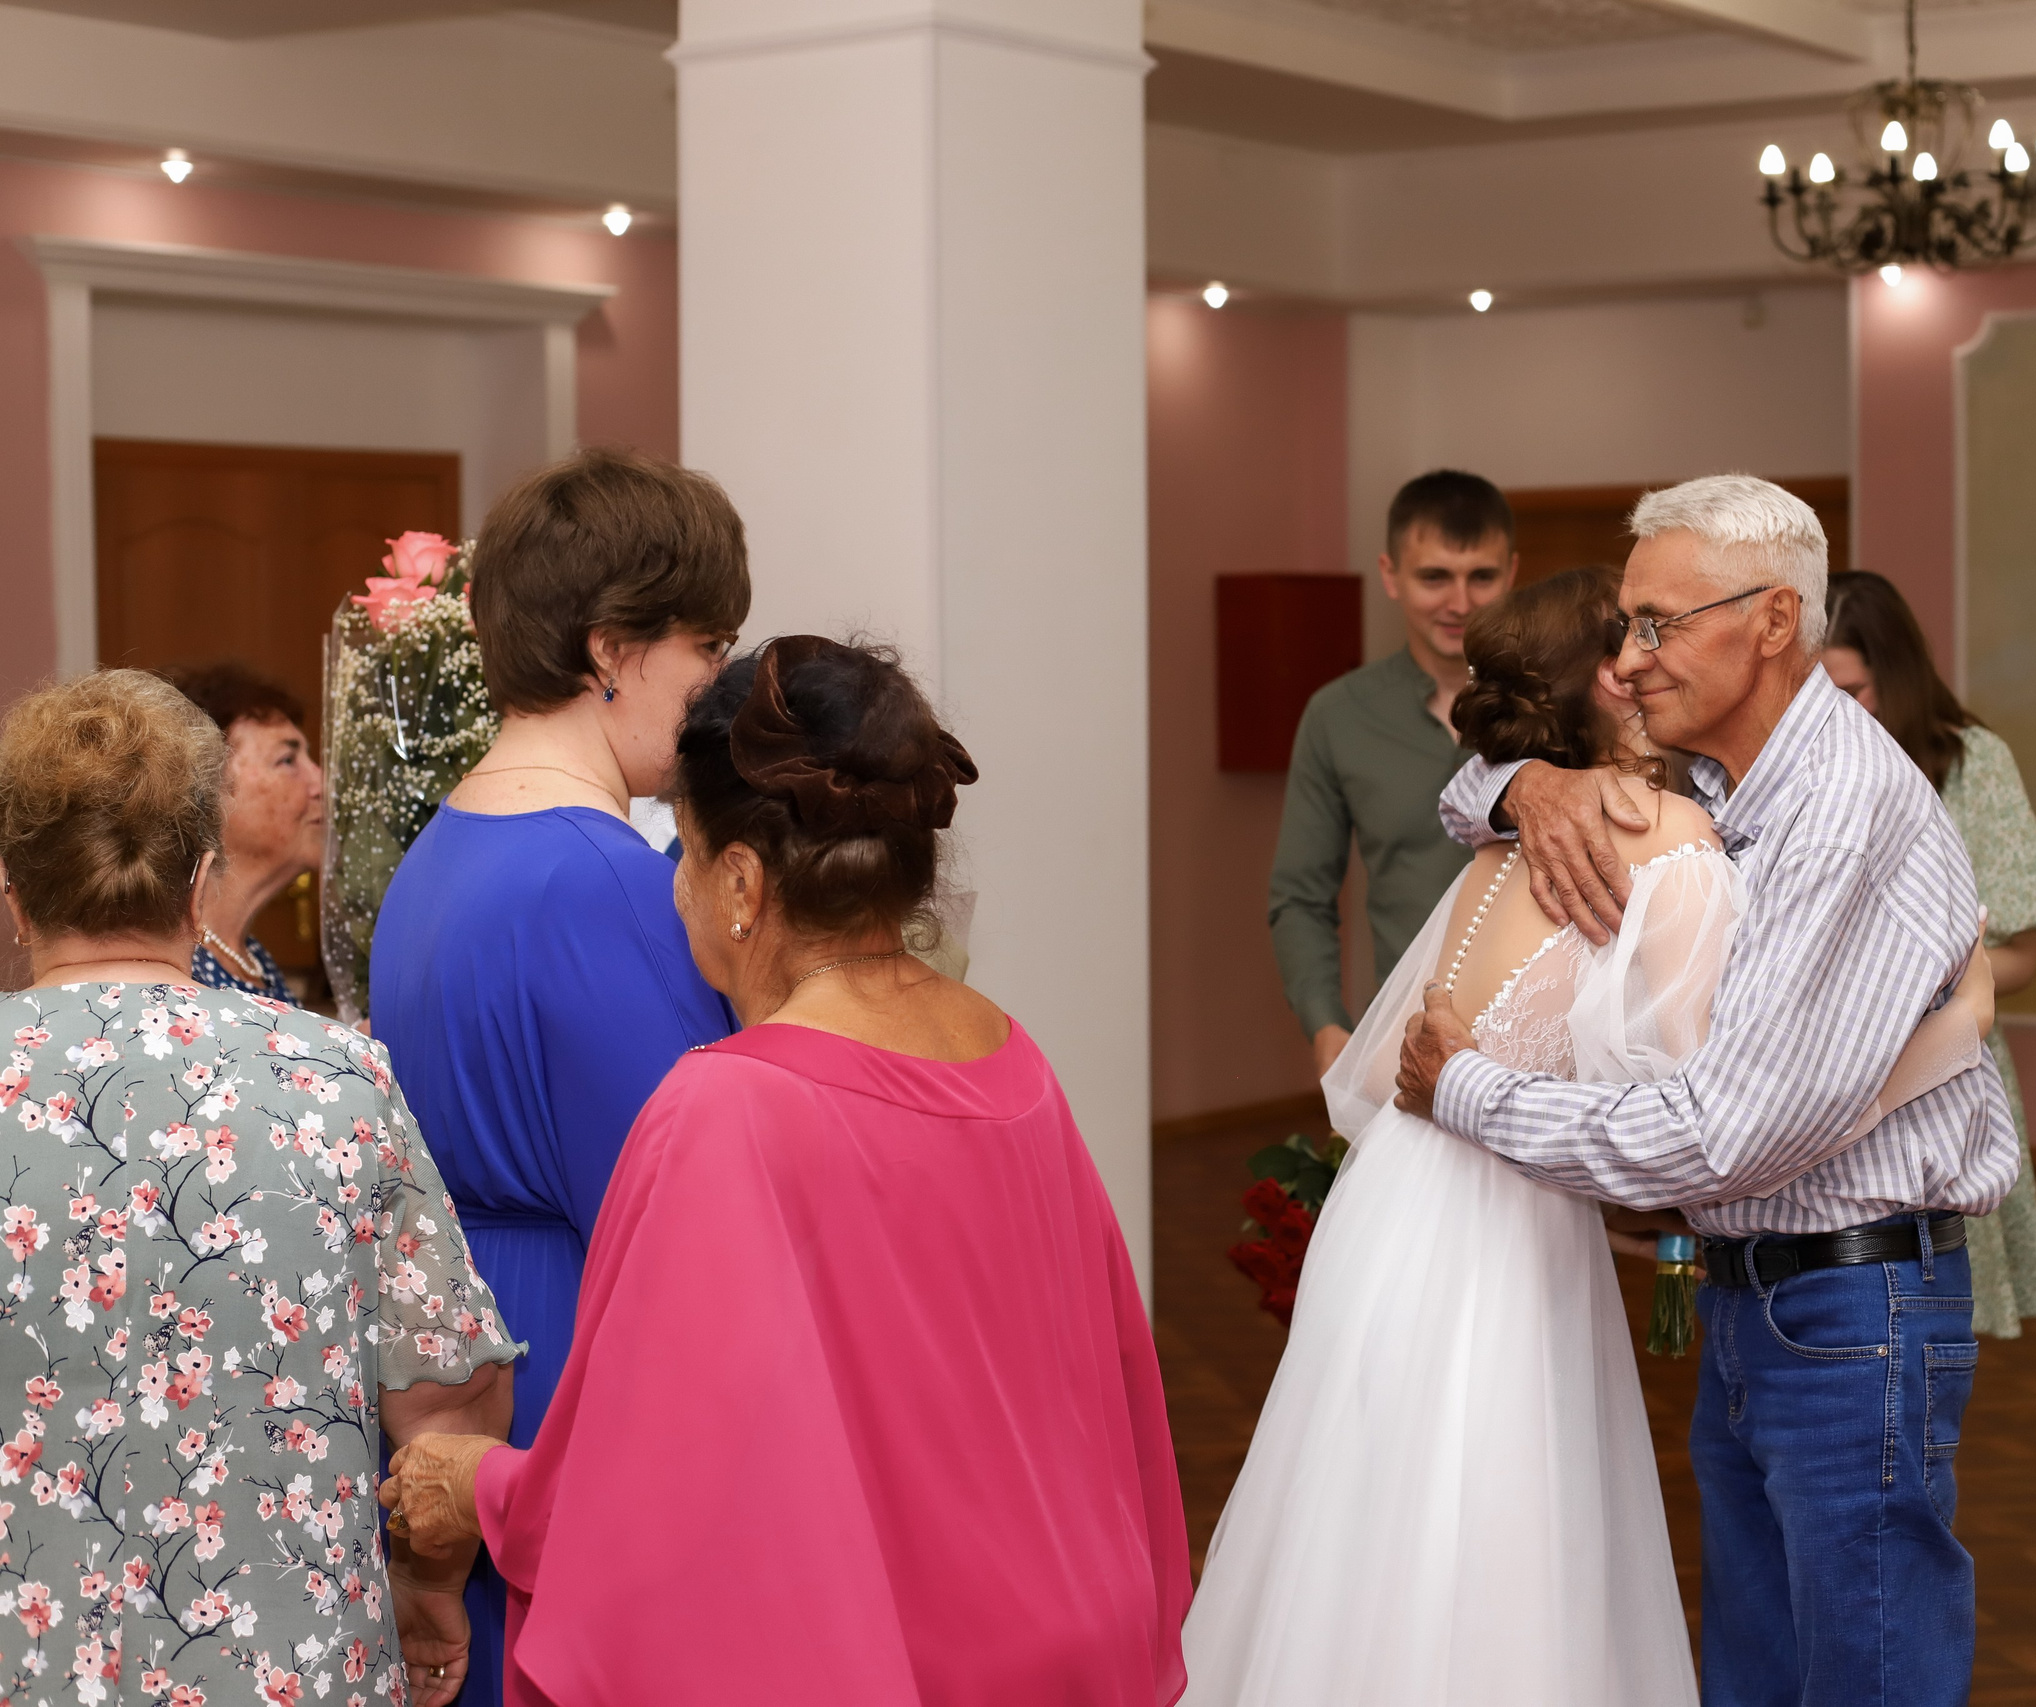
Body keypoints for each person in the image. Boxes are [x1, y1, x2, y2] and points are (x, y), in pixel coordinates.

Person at [1189, 567, 1993, 1706]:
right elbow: (1725, 1100)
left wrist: (1522, 782)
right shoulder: (1665, 833)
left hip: (1400, 1215)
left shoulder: (1509, 841)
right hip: (1509, 1230)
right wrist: (1953, 1027)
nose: (1654, 657)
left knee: (1380, 1529)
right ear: (1612, 682)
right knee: (1504, 1539)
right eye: (1638, 638)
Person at [376, 636, 1191, 1706]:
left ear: (742, 884)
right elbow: (1107, 1394)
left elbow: (663, 1506)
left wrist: (480, 1485)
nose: (674, 891)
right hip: (1063, 1633)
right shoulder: (1014, 1060)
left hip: (892, 1657)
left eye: (683, 856)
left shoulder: (726, 1108)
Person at [1396, 476, 2018, 1707]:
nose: (1629, 660)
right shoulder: (1729, 780)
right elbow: (1465, 795)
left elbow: (1718, 1135)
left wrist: (1463, 1089)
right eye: (1627, 626)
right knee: (1756, 1669)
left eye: (1657, 625)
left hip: (1850, 1307)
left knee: (1862, 1673)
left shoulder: (1835, 810)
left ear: (1773, 621)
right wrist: (1531, 787)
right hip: (1766, 1297)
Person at [0, 669, 519, 1707]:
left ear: (13, 894)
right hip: (294, 1672)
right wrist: (428, 1586)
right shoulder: (335, 1077)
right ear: (199, 883)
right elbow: (450, 1397)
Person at [367, 447, 748, 1707]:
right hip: (574, 1359)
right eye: (706, 646)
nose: (717, 684)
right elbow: (670, 1208)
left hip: (455, 1357)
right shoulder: (605, 880)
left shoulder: (437, 851)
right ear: (610, 649)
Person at [1822, 570, 2036, 1340]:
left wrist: (1935, 988)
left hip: (1944, 1078)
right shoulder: (1801, 771)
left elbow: (2021, 955)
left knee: (1930, 1326)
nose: (1832, 712)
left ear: (1896, 676)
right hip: (1823, 1088)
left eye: (1851, 691)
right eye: (1815, 692)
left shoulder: (1970, 762)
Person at [1270, 470, 1517, 1075]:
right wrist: (1326, 1023)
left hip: (1549, 1050)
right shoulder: (1338, 715)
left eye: (1481, 576)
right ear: (1390, 575)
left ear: (1512, 573)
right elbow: (1301, 897)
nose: (1460, 602)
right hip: (1406, 1048)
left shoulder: (1564, 706)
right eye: (1435, 577)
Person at [156, 662, 326, 1002]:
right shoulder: (176, 968)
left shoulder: (252, 957)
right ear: (207, 789)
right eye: (287, 760)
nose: (320, 784)